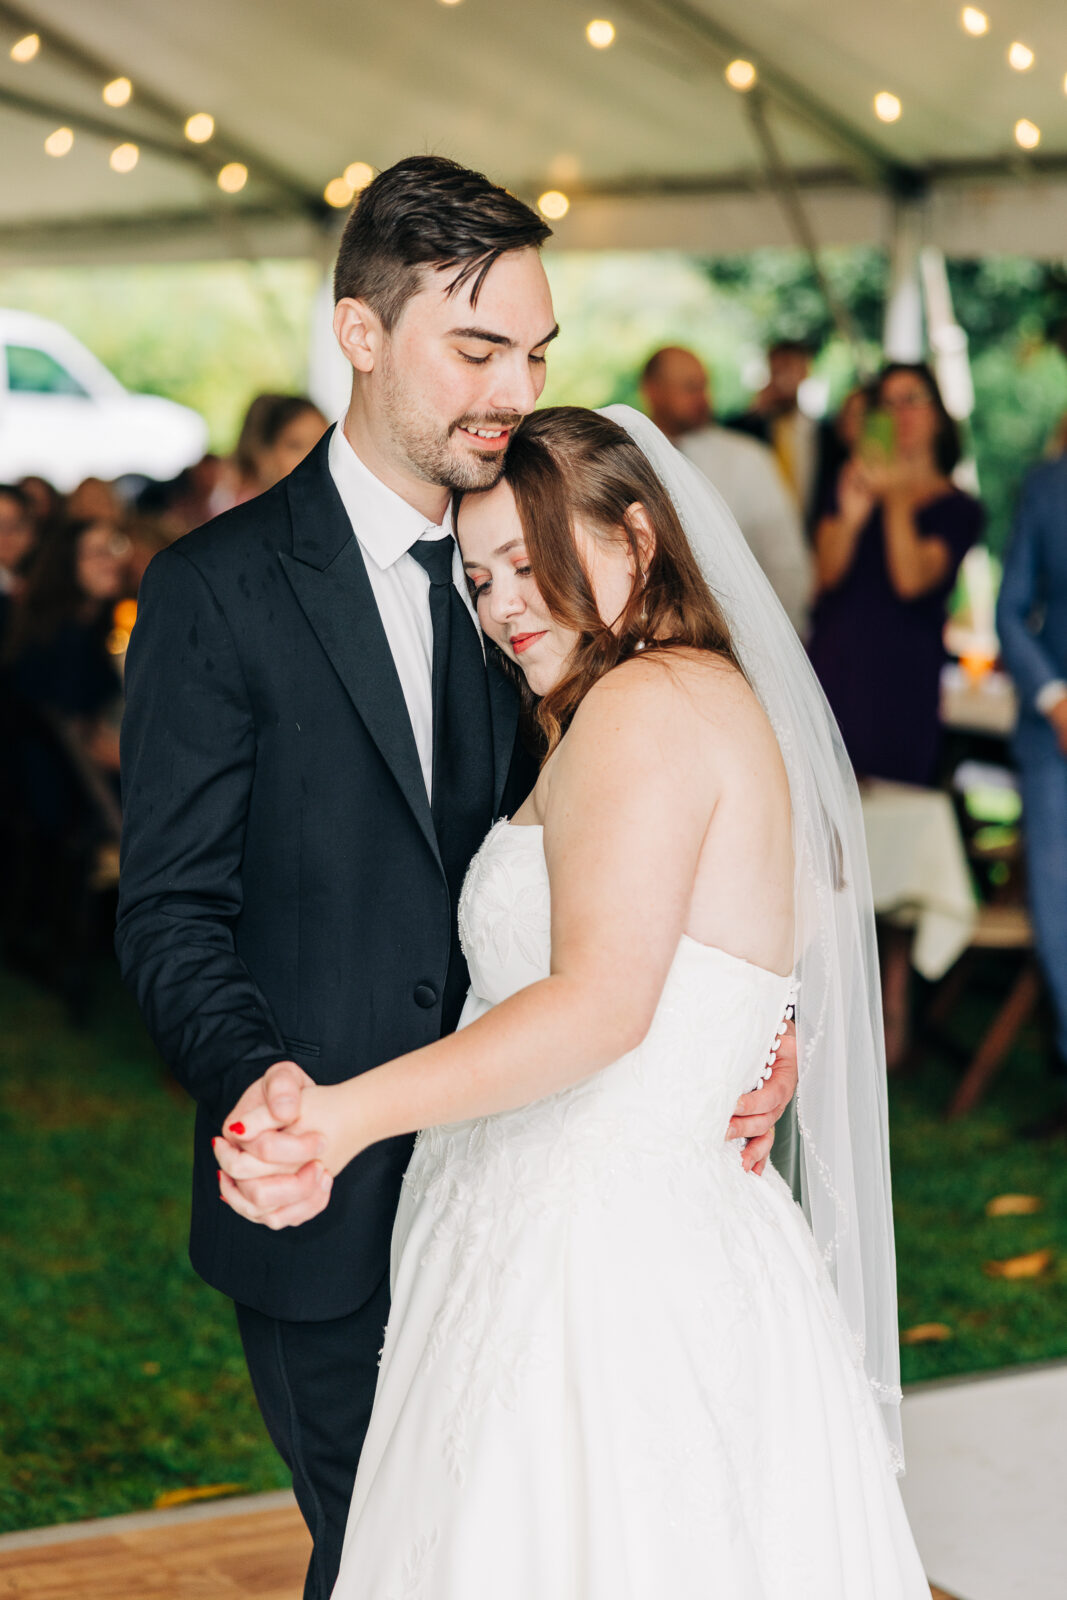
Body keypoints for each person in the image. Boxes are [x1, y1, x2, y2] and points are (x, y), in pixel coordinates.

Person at [115, 156, 802, 1600]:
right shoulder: (214, 590)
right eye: (477, 346)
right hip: (332, 1191)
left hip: (552, 1192)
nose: (513, 385)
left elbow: (656, 849)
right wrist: (271, 1102)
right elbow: (171, 911)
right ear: (360, 336)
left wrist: (740, 1024)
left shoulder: (555, 593)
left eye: (536, 351)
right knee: (390, 1556)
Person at [217, 404, 928, 1599]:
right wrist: (761, 1026)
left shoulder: (644, 707)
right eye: (481, 573)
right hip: (622, 1232)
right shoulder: (683, 695)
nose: (502, 603)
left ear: (636, 540)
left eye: (532, 562)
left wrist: (341, 1117)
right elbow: (778, 899)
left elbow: (599, 1006)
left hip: (596, 1276)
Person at [808, 362, 983, 787]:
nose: (900, 413)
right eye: (887, 404)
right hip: (834, 672)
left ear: (938, 415)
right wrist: (852, 517)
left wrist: (896, 493)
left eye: (912, 399)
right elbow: (825, 575)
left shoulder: (959, 509)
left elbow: (910, 580)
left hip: (900, 686)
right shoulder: (846, 483)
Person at [640, 346, 813, 634]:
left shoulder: (749, 458)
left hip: (743, 634)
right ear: (652, 390)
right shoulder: (631, 456)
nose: (702, 397)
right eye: (689, 387)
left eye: (704, 385)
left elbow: (787, 562)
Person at [996, 453, 1067, 1138]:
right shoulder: (1046, 486)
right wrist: (1053, 698)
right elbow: (1009, 610)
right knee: (1058, 909)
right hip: (1055, 739)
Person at [728, 338, 836, 532]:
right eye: (778, 370)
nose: (784, 379)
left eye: (791, 370)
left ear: (805, 372)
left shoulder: (826, 434)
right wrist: (754, 410)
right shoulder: (749, 428)